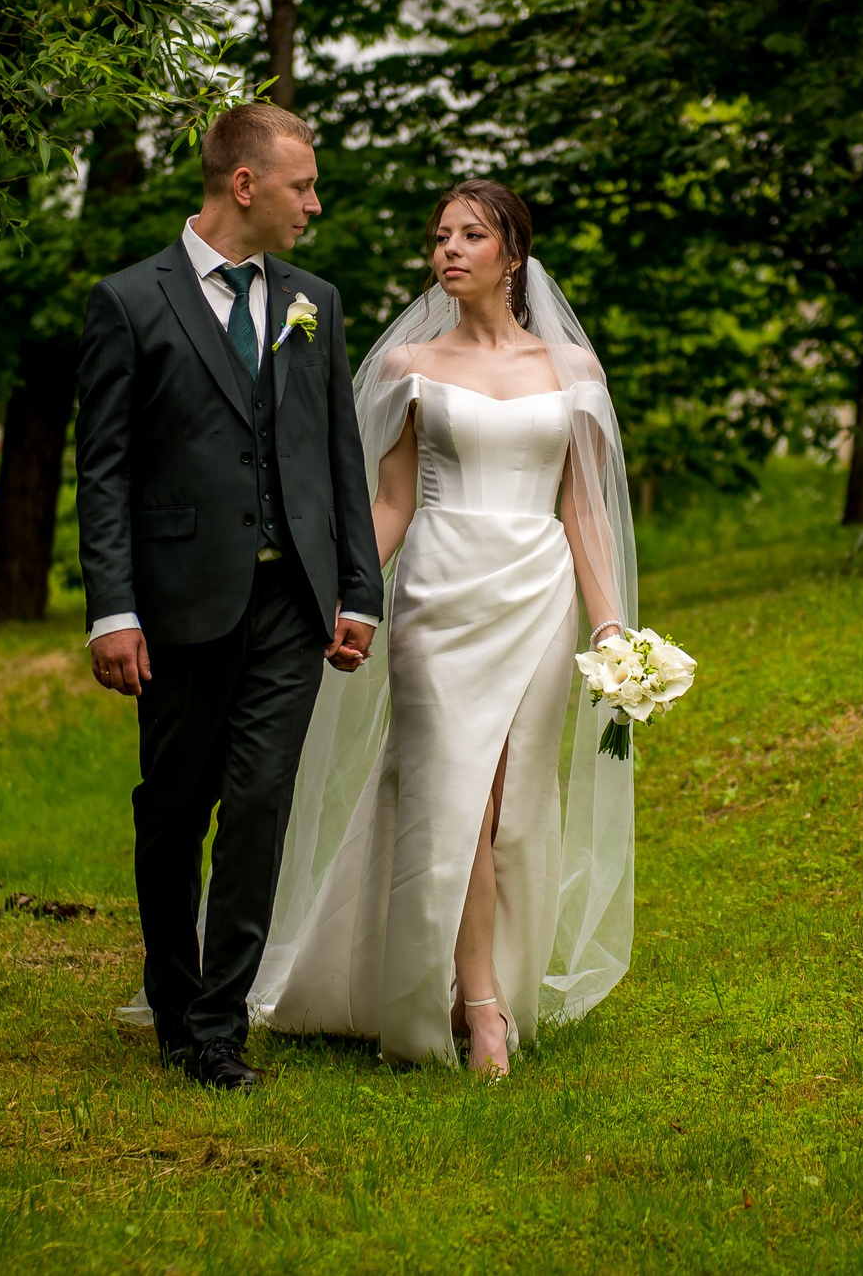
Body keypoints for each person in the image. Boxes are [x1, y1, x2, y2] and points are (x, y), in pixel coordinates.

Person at [250, 179, 637, 1076]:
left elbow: (584, 511)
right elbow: (388, 501)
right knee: (454, 793)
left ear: (513, 251)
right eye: (439, 237)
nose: (448, 251)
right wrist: (349, 597)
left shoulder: (572, 373)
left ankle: (471, 984)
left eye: (470, 235)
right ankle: (480, 1007)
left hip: (537, 595)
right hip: (437, 588)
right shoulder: (408, 367)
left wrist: (612, 624)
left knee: (504, 807)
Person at [74, 102, 383, 1091]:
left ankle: (218, 1026)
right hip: (175, 608)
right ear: (243, 185)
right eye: (302, 185)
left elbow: (338, 452)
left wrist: (357, 589)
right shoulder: (129, 302)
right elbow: (105, 471)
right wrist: (112, 609)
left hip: (290, 603)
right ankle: (173, 997)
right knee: (174, 811)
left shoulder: (314, 301)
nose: (314, 203)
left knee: (258, 804)